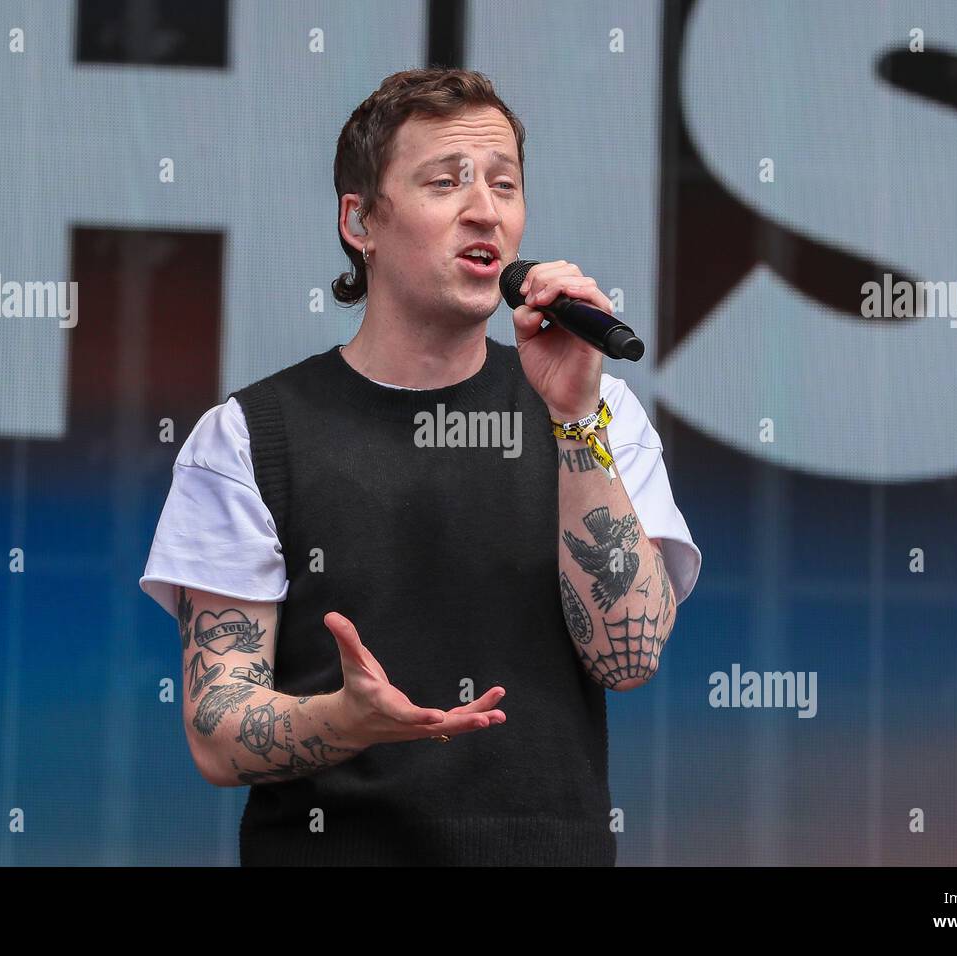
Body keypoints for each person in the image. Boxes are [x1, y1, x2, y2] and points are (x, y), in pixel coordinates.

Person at [139, 68, 701, 866]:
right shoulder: (246, 438)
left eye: (505, 185)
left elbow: (628, 657)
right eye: (446, 182)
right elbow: (217, 734)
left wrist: (576, 420)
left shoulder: (600, 418)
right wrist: (347, 720)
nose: (485, 209)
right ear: (360, 220)